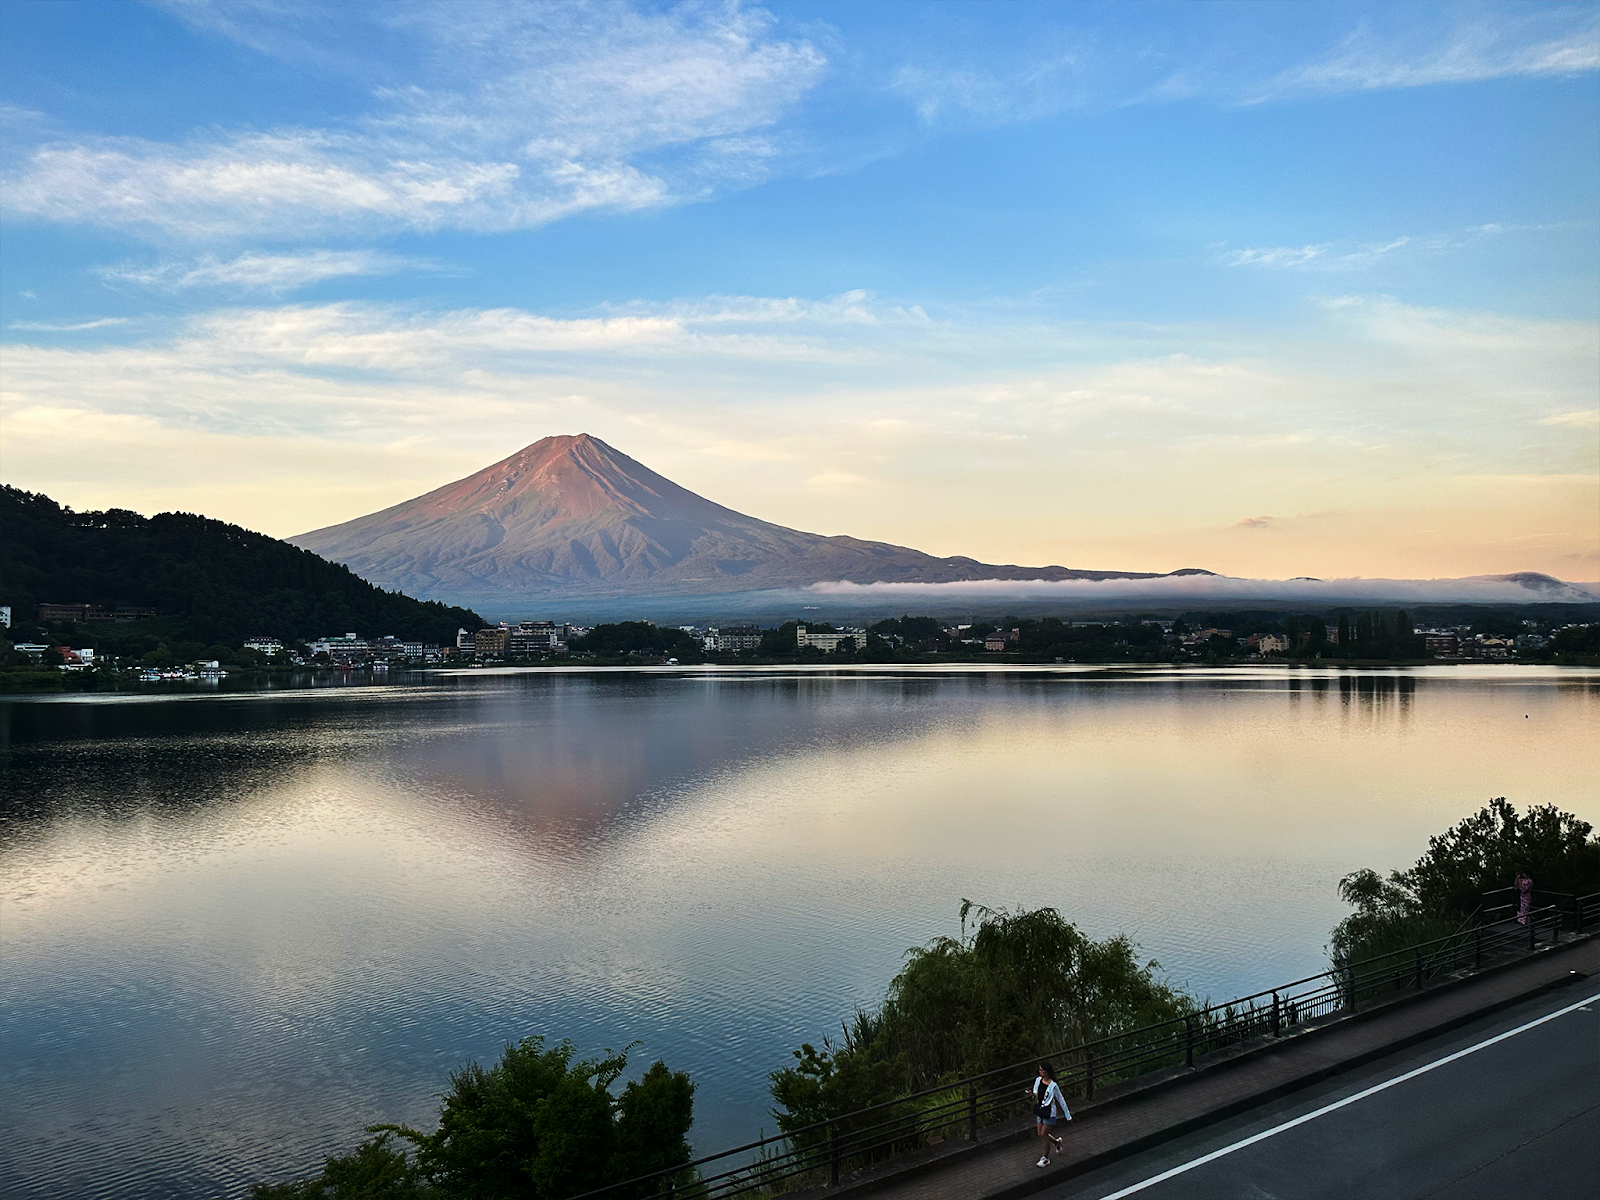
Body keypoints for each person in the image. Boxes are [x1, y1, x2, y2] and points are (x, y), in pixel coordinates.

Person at [1026, 1061, 1071, 1167]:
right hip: (1040, 1110)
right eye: (1040, 1070)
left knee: (1044, 1134)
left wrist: (1068, 1116)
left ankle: (1045, 1157)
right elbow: (1037, 1095)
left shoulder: (1053, 1085)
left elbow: (1060, 1099)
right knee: (1040, 1133)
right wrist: (1032, 1094)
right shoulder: (1038, 1080)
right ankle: (1056, 1142)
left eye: (1042, 1070)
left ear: (1047, 1072)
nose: (1040, 1072)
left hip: (1049, 1112)